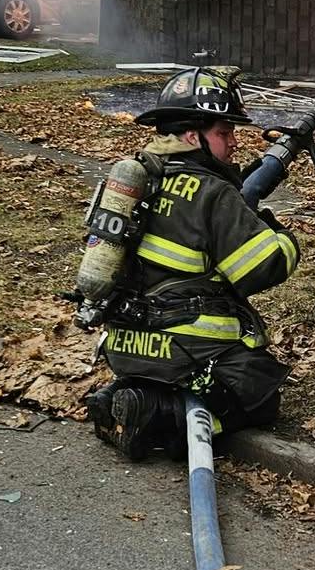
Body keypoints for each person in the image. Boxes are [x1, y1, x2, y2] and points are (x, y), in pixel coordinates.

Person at [87, 66, 300, 460]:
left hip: (124, 346)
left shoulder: (141, 177)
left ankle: (122, 394)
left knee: (180, 373)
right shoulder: (212, 193)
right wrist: (280, 234)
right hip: (181, 352)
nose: (234, 142)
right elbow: (262, 267)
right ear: (191, 135)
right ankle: (154, 416)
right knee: (258, 388)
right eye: (224, 132)